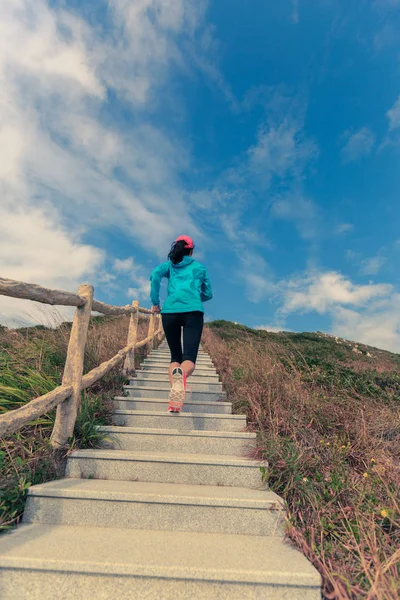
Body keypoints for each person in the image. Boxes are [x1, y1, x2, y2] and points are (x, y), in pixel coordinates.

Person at [150, 235, 213, 413]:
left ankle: (175, 402)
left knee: (175, 358)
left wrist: (155, 302)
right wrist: (193, 298)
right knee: (189, 359)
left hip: (170, 311)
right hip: (193, 312)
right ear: (191, 251)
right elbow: (208, 294)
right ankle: (182, 377)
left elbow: (155, 275)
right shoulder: (200, 267)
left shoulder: (169, 265)